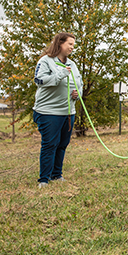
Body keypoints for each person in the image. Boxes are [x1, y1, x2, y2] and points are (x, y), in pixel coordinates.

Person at [33, 32, 82, 188]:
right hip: (48, 112)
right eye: (70, 44)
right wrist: (60, 74)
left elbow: (78, 83)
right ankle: (44, 179)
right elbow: (39, 80)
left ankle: (56, 175)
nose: (72, 48)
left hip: (68, 112)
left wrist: (77, 94)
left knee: (62, 144)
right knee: (50, 144)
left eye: (73, 45)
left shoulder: (72, 64)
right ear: (60, 43)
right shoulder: (46, 61)